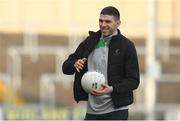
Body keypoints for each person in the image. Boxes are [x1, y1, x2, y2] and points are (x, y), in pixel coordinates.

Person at [62, 6, 140, 120]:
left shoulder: (126, 46)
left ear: (118, 23)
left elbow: (133, 81)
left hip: (116, 112)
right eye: (101, 21)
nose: (103, 25)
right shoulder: (90, 41)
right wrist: (74, 64)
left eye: (108, 21)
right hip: (92, 112)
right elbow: (65, 67)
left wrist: (112, 88)